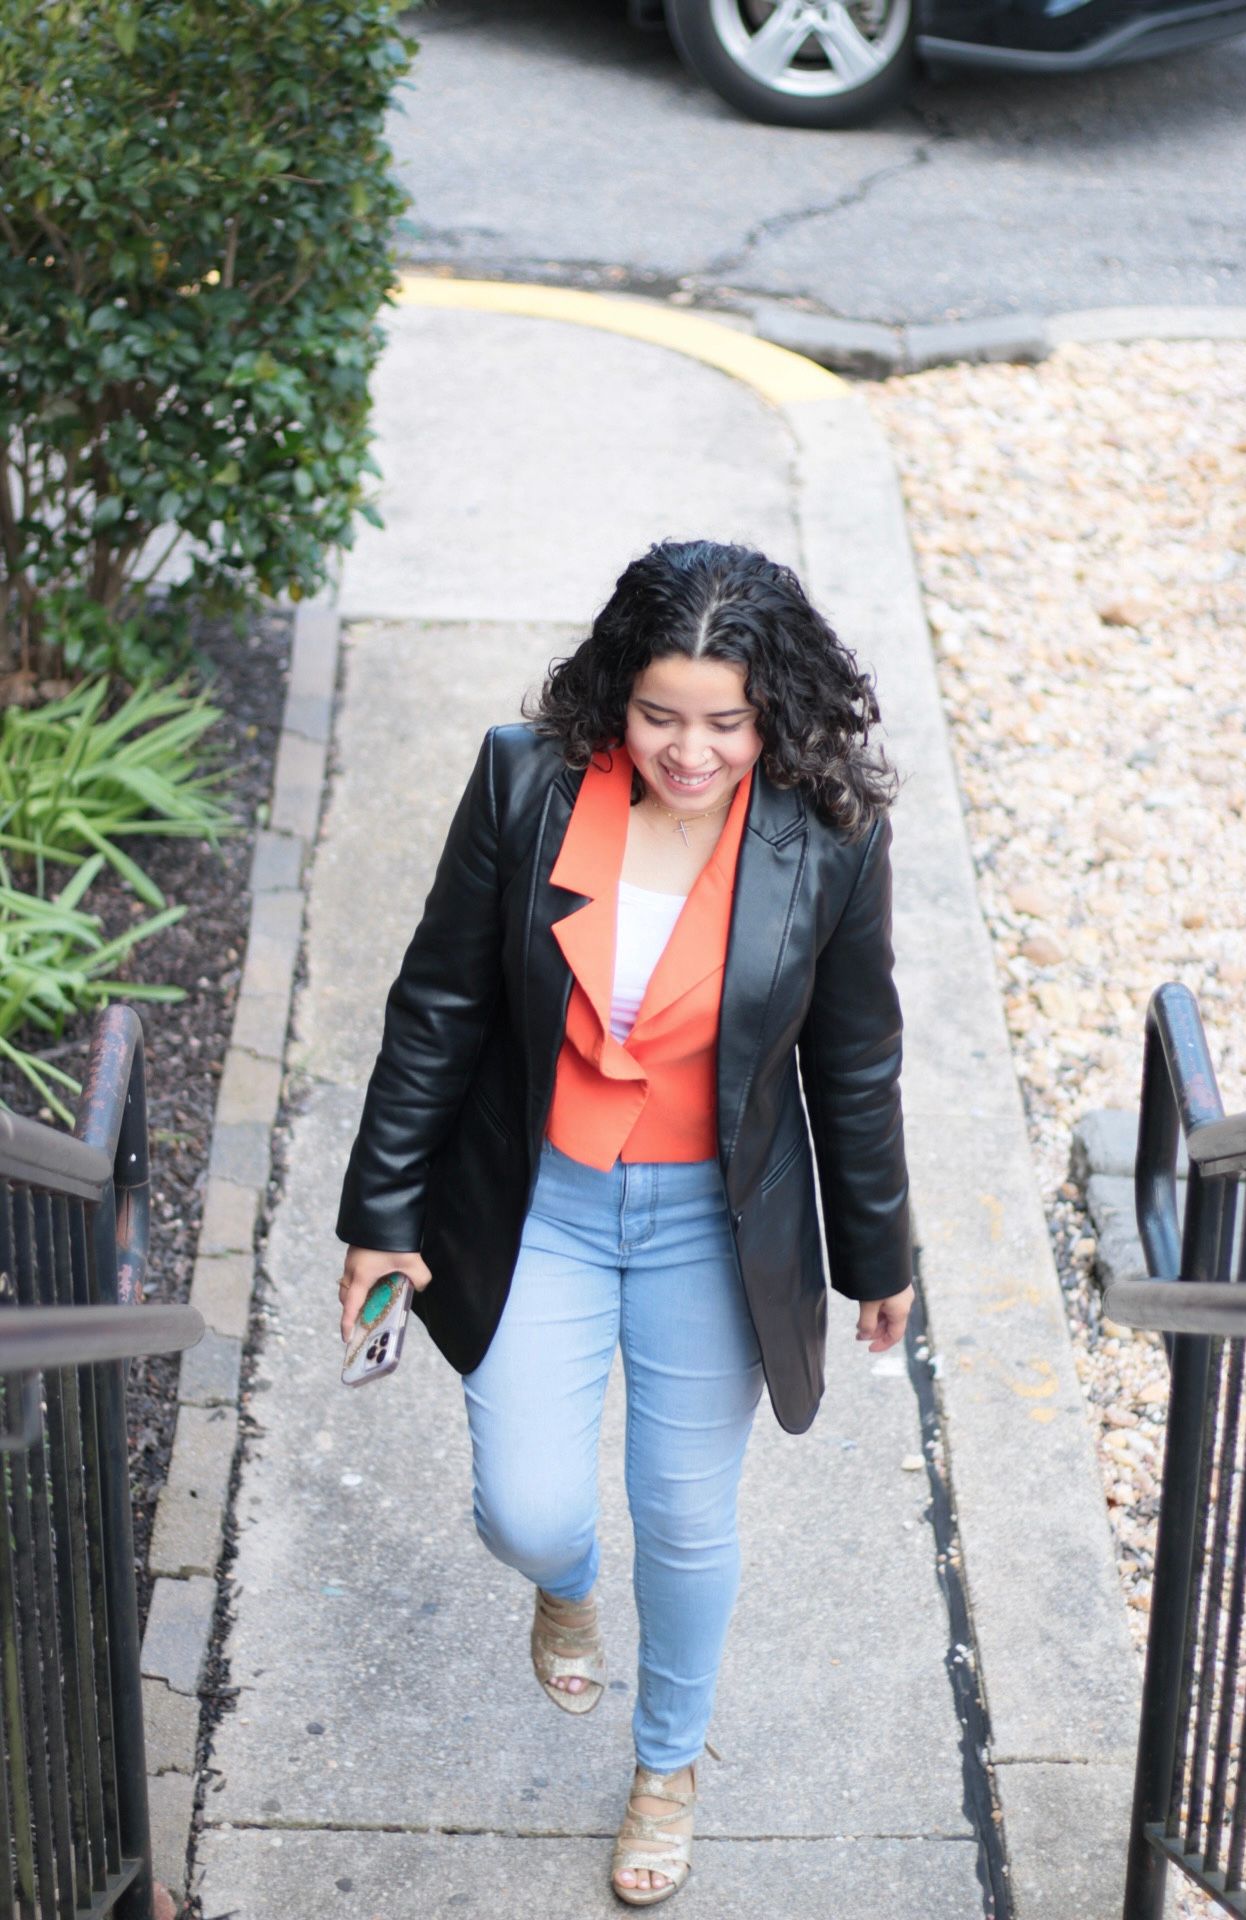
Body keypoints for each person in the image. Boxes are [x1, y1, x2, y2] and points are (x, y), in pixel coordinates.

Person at [335, 537, 914, 1908]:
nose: (692, 752)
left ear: (776, 707)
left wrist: (879, 1256)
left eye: (726, 720)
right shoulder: (525, 781)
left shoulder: (832, 832)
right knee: (527, 1508)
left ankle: (668, 1768)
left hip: (718, 1223)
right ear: (616, 694)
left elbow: (856, 1059)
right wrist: (380, 1212)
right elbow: (438, 1008)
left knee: (688, 1513)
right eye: (660, 715)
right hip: (541, 1200)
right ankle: (566, 1583)